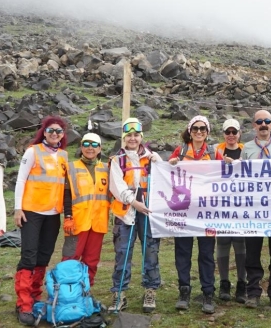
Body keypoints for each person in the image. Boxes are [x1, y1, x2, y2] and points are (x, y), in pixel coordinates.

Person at [13, 116, 69, 326]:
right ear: (44, 132)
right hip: (32, 211)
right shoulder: (32, 151)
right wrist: (18, 208)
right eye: (51, 130)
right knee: (29, 256)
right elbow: (20, 179)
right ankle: (23, 304)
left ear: (63, 135)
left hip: (53, 213)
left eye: (59, 131)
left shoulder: (63, 155)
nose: (55, 134)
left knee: (44, 256)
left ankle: (34, 297)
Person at [108, 118, 162, 314]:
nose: (132, 138)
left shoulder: (152, 158)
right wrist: (134, 202)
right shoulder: (117, 160)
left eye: (136, 135)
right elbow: (117, 186)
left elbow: (165, 178)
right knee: (123, 252)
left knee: (151, 251)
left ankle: (150, 290)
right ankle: (119, 292)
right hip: (126, 212)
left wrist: (162, 162)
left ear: (141, 137)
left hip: (148, 212)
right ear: (124, 137)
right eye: (129, 135)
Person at [168, 115, 218, 314]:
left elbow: (227, 176)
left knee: (206, 254)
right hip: (184, 212)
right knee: (183, 252)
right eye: (195, 128)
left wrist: (232, 165)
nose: (199, 132)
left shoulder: (214, 154)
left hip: (207, 213)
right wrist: (169, 164)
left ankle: (208, 293)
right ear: (190, 131)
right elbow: (166, 173)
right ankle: (184, 291)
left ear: (207, 132)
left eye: (203, 129)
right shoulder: (180, 152)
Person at [240, 110, 271, 309]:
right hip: (254, 210)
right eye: (259, 121)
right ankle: (253, 293)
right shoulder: (247, 149)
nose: (263, 124)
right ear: (254, 125)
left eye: (267, 121)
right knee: (252, 253)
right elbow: (240, 176)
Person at [61, 133, 109, 287]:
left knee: (92, 260)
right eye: (86, 144)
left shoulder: (107, 168)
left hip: (98, 223)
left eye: (94, 145)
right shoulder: (71, 167)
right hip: (76, 222)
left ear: (100, 148)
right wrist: (68, 216)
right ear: (81, 147)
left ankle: (85, 293)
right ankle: (66, 294)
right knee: (70, 259)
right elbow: (66, 194)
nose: (90, 148)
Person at [213, 118, 247, 303]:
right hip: (221, 203)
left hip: (242, 203)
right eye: (228, 132)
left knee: (241, 243)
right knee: (223, 241)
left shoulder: (246, 150)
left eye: (234, 132)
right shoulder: (216, 150)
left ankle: (242, 283)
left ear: (239, 133)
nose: (231, 135)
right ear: (223, 133)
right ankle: (224, 282)